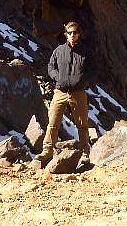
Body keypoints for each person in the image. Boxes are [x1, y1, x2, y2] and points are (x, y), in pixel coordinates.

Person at [38, 20, 94, 161]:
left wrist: (83, 81)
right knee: (53, 122)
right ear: (65, 34)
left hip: (78, 92)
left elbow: (93, 70)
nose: (72, 35)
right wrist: (58, 78)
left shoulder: (86, 52)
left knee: (82, 124)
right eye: (70, 33)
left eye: (75, 32)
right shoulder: (59, 51)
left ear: (79, 34)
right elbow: (51, 67)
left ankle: (85, 153)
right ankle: (47, 151)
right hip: (60, 92)